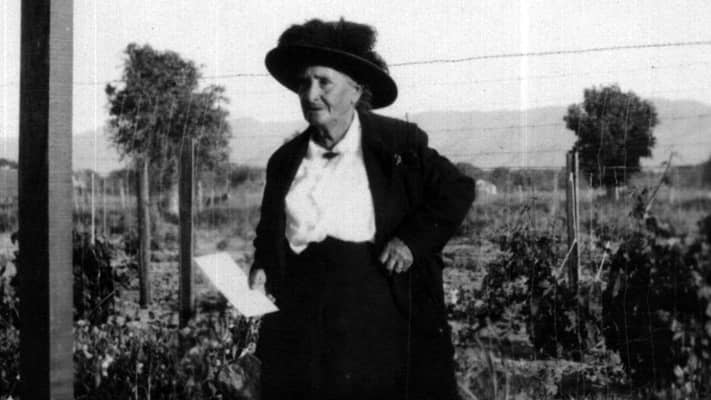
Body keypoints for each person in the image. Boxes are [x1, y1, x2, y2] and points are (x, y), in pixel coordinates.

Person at [249, 18, 475, 400]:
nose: (310, 94)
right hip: (303, 315)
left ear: (355, 90)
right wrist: (261, 265)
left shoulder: (397, 143)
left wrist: (410, 241)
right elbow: (269, 230)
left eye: (324, 82)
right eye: (303, 83)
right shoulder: (284, 160)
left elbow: (456, 189)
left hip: (380, 309)